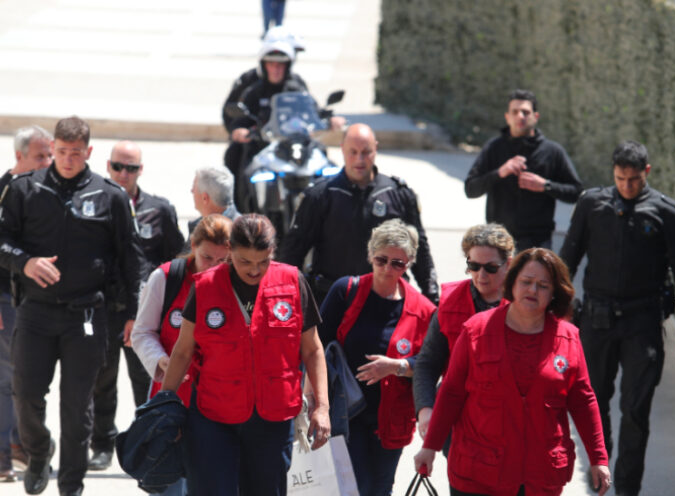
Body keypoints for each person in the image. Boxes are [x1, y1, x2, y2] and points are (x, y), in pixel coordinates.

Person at [413, 248, 610, 496]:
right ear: (511, 284)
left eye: (543, 285)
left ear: (555, 293)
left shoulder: (568, 337)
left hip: (537, 469)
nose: (533, 291)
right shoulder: (476, 330)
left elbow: (583, 398)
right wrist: (430, 447)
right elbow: (451, 392)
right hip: (477, 465)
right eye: (526, 282)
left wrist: (599, 458)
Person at [160, 214, 331, 496]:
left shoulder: (292, 282)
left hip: (272, 417)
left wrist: (322, 407)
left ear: (273, 253)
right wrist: (163, 407)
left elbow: (312, 350)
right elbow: (182, 352)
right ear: (229, 254)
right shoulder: (205, 287)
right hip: (213, 418)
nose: (253, 271)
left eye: (261, 261)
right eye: (243, 262)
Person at [0, 116, 145, 496]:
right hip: (36, 312)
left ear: (88, 152)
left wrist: (132, 314)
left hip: (86, 316)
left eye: (76, 153)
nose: (68, 159)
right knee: (25, 394)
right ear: (53, 149)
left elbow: (130, 259)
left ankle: (71, 487)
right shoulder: (26, 189)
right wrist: (25, 262)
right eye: (61, 152)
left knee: (77, 406)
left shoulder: (109, 196)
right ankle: (39, 451)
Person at [559, 140, 675, 496]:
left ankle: (627, 489)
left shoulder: (667, 212)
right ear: (613, 173)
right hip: (598, 318)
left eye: (634, 180)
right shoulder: (592, 205)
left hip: (642, 321)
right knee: (594, 398)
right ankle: (601, 460)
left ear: (646, 172)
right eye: (621, 179)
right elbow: (567, 259)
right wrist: (559, 308)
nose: (627, 186)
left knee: (636, 408)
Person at [317, 219, 435, 496]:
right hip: (345, 410)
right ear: (370, 256)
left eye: (397, 263)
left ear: (409, 263)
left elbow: (430, 364)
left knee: (380, 488)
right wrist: (313, 398)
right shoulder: (347, 291)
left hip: (391, 415)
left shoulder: (422, 310)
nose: (388, 269)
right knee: (352, 483)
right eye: (381, 260)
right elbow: (316, 343)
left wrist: (396, 366)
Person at [131, 215, 234, 496]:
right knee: (163, 491)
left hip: (213, 404)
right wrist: (163, 364)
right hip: (169, 401)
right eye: (207, 258)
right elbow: (141, 333)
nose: (214, 268)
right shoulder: (167, 278)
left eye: (222, 260)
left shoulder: (236, 282)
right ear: (193, 248)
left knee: (200, 494)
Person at [412, 222, 515, 496]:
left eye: (490, 267)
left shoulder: (526, 299)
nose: (480, 275)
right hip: (461, 423)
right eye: (473, 266)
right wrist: (425, 410)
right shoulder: (452, 301)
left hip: (510, 422)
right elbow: (427, 364)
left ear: (509, 264)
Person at [89, 140, 185, 471]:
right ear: (108, 166)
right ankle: (102, 444)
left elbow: (176, 261)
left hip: (146, 314)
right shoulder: (95, 205)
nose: (123, 173)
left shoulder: (159, 210)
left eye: (131, 168)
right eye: (118, 166)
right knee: (101, 380)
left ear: (140, 170)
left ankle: (149, 441)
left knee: (147, 380)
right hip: (103, 308)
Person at [279, 123, 439, 305]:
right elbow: (293, 253)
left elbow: (420, 250)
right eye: (353, 152)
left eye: (366, 152)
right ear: (342, 149)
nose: (359, 159)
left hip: (386, 303)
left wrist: (432, 297)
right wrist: (285, 299)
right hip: (333, 301)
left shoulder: (398, 194)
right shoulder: (320, 196)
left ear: (375, 149)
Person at [0, 125, 52, 481]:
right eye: (40, 156)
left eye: (49, 155)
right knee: (7, 375)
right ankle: (1, 452)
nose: (47, 162)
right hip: (7, 299)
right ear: (19, 156)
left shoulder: (47, 189)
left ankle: (23, 444)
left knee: (32, 378)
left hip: (40, 300)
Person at [464, 89, 582, 251]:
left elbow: (576, 192)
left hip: (537, 241)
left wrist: (545, 186)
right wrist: (500, 172)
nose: (520, 116)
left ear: (536, 116)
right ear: (507, 117)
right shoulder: (493, 148)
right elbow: (470, 189)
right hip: (498, 240)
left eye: (525, 112)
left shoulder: (552, 151)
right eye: (515, 112)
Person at [222, 40, 308, 213]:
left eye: (280, 65)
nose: (276, 69)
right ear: (264, 65)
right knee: (235, 158)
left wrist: (329, 120)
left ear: (287, 66)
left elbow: (312, 111)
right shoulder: (254, 91)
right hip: (260, 148)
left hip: (291, 148)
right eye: (271, 64)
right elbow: (239, 119)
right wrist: (239, 131)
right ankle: (240, 211)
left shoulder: (296, 88)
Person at [187, 166, 239, 236]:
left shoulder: (238, 234)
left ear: (205, 198)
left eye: (193, 187)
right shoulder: (240, 229)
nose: (191, 191)